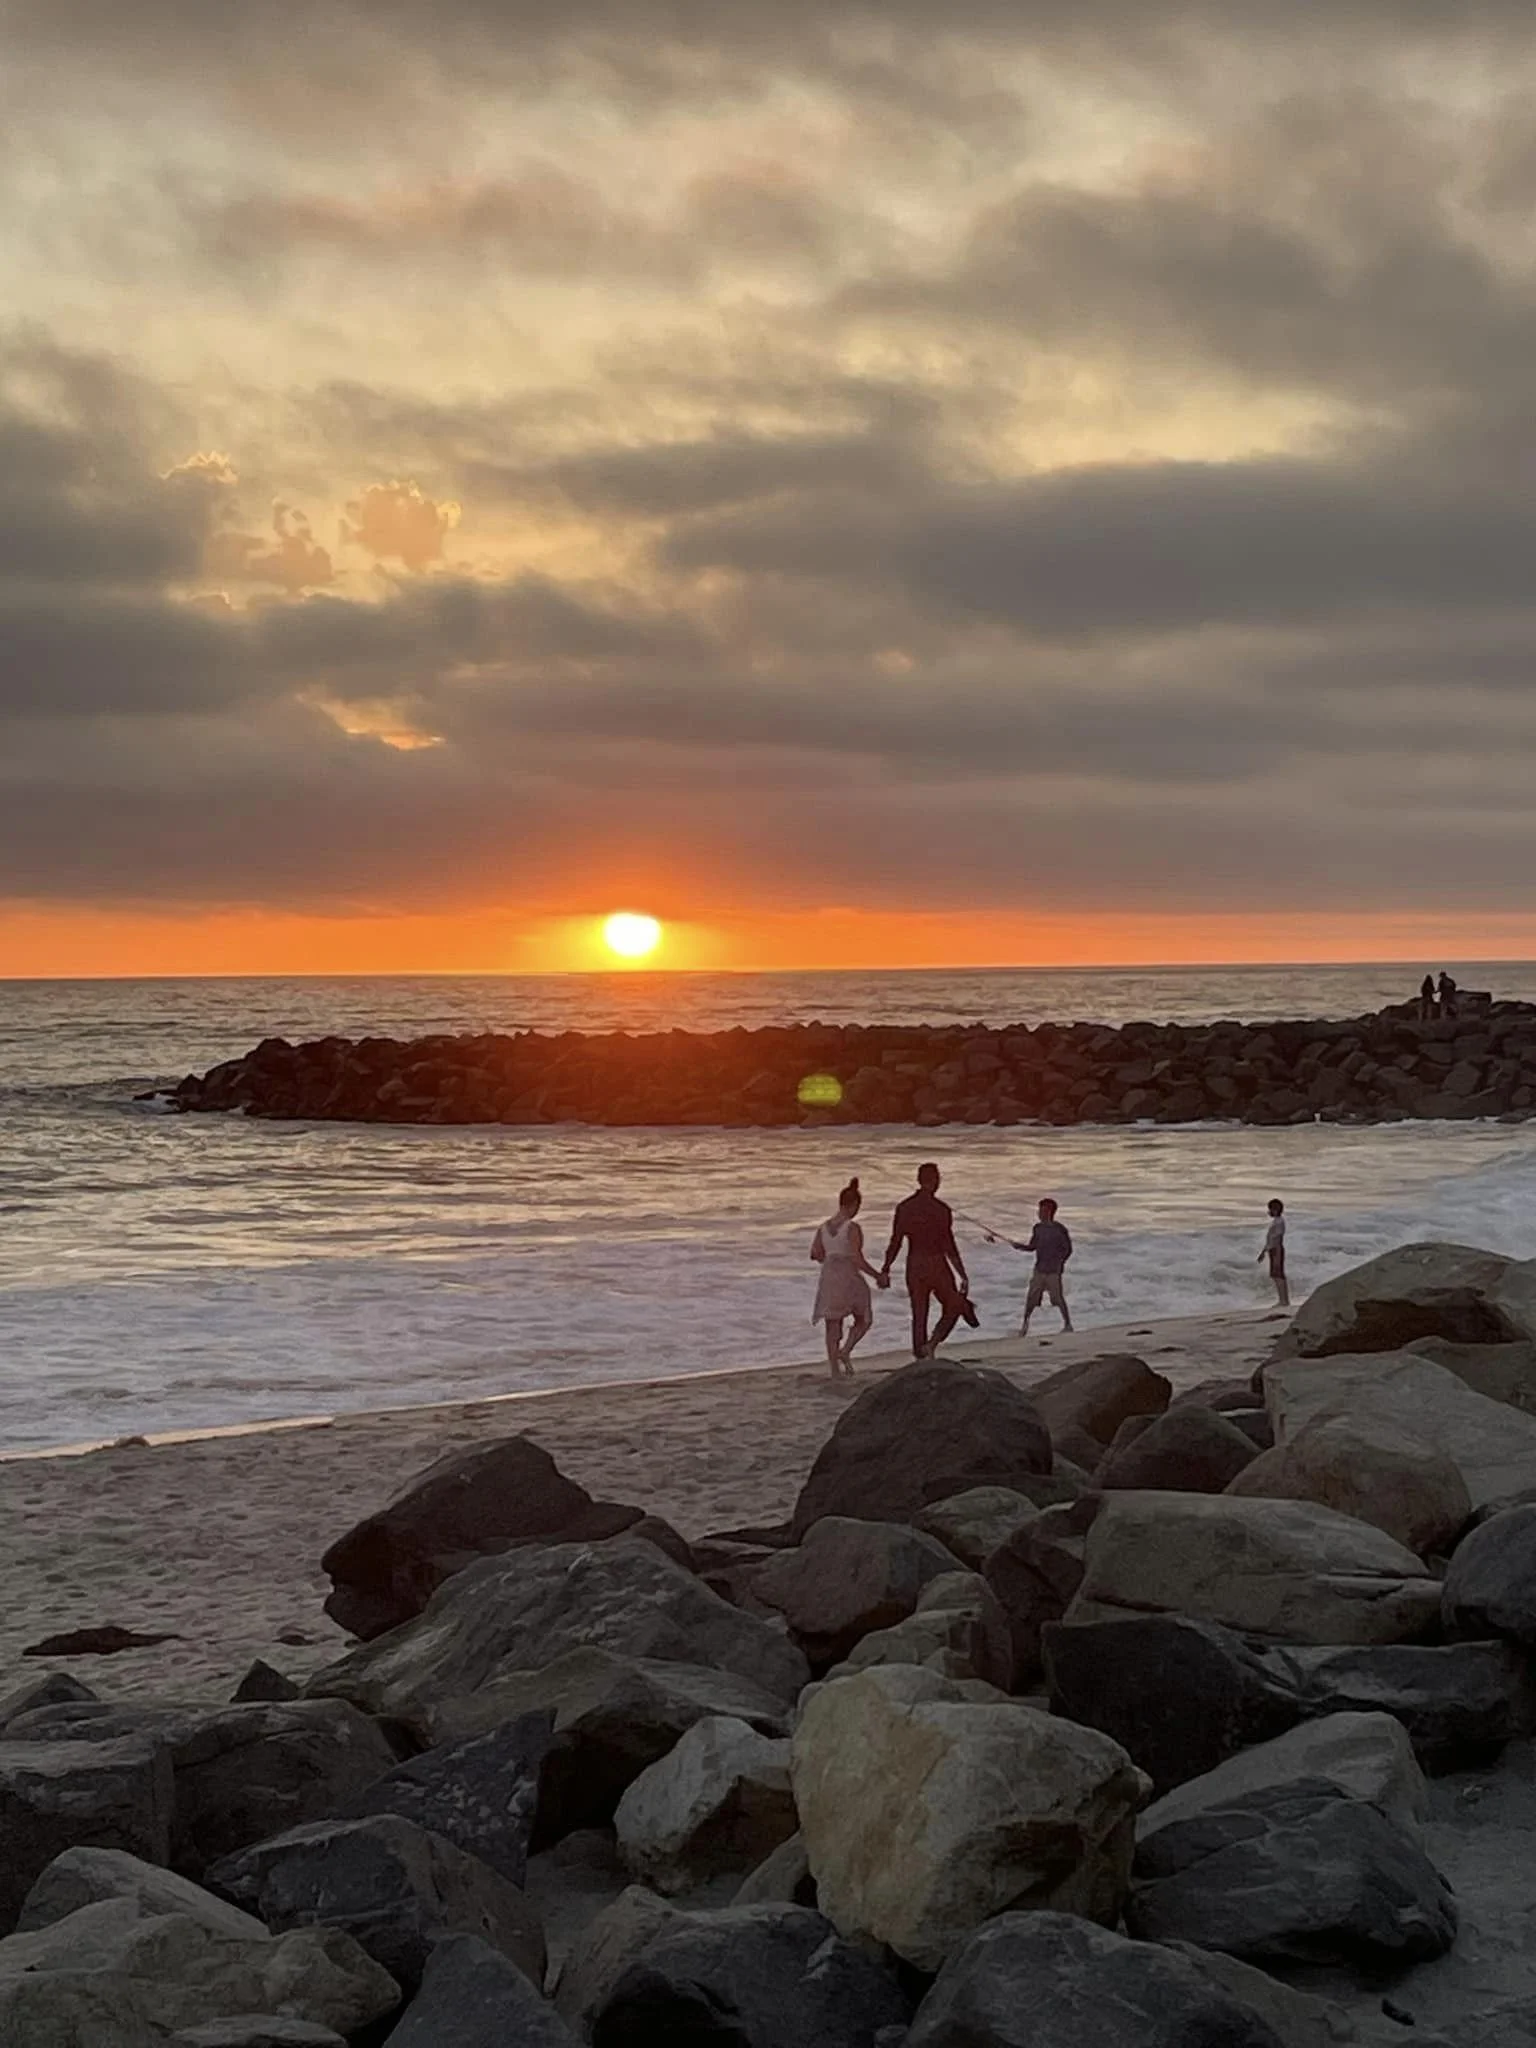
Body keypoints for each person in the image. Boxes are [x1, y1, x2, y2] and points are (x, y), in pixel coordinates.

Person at [879, 1163, 977, 1360]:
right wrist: (962, 1273)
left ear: (919, 1180)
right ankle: (932, 1343)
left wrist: (886, 1268)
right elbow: (949, 1245)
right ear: (936, 1181)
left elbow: (896, 1241)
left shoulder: (905, 1207)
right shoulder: (941, 1209)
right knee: (954, 1304)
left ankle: (921, 1355)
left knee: (919, 1312)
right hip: (937, 1263)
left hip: (915, 1264)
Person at [809, 1176, 883, 1378]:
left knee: (832, 1324)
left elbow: (816, 1254)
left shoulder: (823, 1227)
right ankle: (846, 1350)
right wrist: (877, 1275)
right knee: (864, 1317)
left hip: (828, 1277)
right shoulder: (852, 1228)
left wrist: (829, 1255)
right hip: (848, 1275)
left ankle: (834, 1370)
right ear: (853, 1205)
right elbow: (857, 1258)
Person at [1010, 1197, 1074, 1335]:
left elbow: (1068, 1249)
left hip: (1053, 1271)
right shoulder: (1037, 1228)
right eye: (1039, 1210)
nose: (1039, 1213)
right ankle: (1024, 1326)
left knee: (1057, 1299)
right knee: (1031, 1299)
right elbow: (1032, 1246)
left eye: (1042, 1210)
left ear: (1050, 1211)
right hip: (1039, 1269)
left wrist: (1060, 1263)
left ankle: (1068, 1325)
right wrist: (1019, 1246)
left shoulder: (1059, 1229)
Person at [1258, 1197, 1289, 1307]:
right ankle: (1283, 1299)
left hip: (1276, 1249)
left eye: (1270, 1209)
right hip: (1273, 1249)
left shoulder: (1279, 1222)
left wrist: (1267, 1250)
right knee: (1276, 1275)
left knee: (1278, 1275)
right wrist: (1264, 1251)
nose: (1269, 1212)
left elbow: (1276, 1238)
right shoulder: (1277, 1222)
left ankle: (1283, 1300)